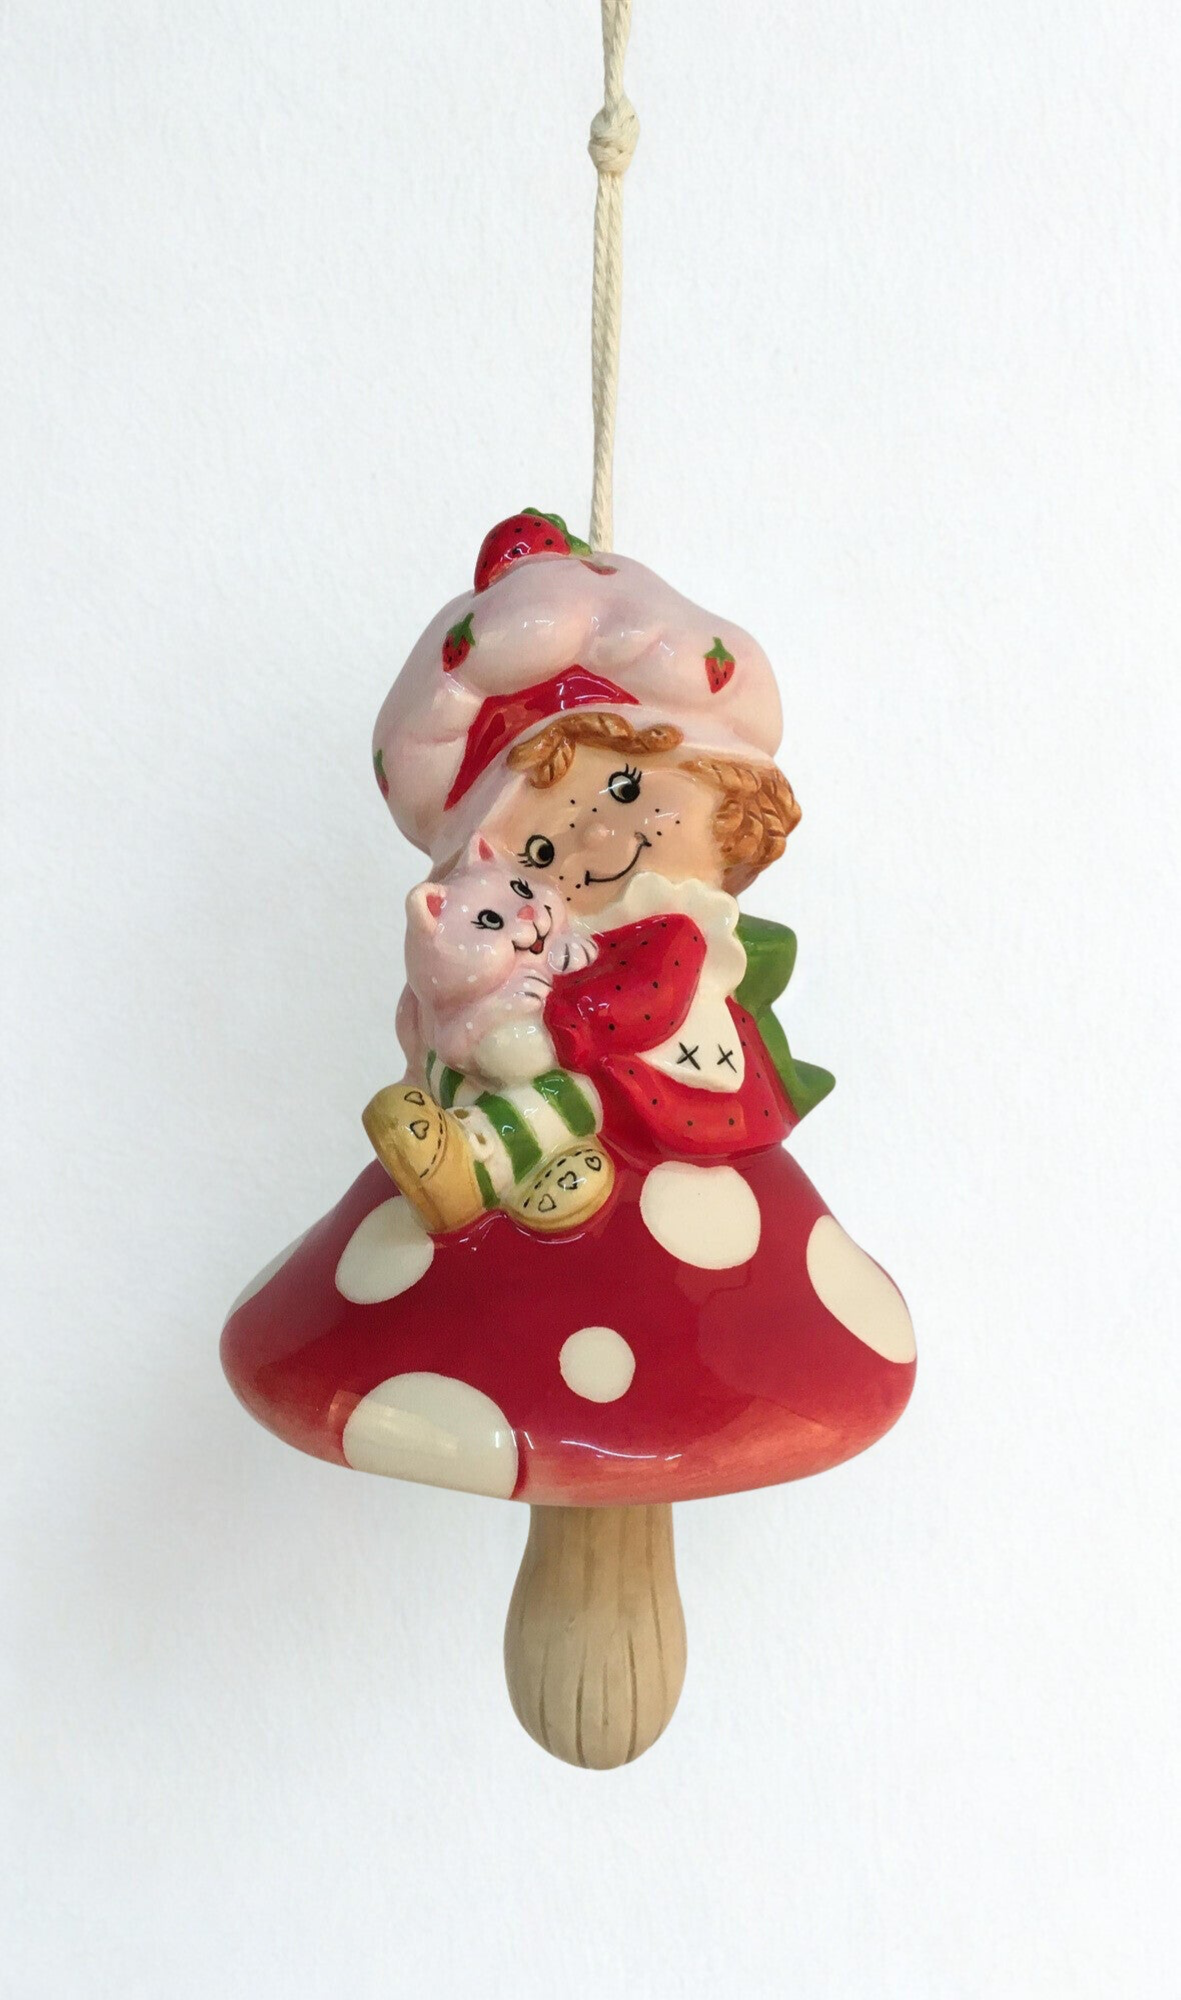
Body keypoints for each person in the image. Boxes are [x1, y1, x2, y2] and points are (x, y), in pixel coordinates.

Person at [363, 534, 832, 1234]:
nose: (599, 843)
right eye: (542, 849)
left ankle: (485, 1160)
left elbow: (645, 995)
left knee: (574, 1097)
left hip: (666, 1079)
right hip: (554, 1056)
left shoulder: (674, 930)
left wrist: (561, 1023)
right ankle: (505, 1162)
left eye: (626, 788)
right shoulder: (534, 939)